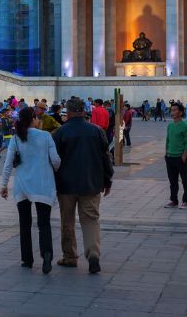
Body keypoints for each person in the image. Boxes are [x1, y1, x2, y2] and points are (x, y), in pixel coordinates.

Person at [52, 97, 113, 274]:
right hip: (92, 184)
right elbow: (105, 158)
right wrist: (107, 180)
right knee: (91, 220)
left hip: (66, 185)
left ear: (69, 112)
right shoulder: (97, 131)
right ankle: (93, 254)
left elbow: (54, 161)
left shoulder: (61, 132)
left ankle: (70, 257)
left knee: (67, 221)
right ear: (84, 111)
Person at [0, 106, 61, 274]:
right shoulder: (46, 136)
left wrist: (3, 185)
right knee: (44, 223)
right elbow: (55, 160)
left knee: (24, 224)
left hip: (22, 186)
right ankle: (47, 254)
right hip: (43, 184)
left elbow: (8, 164)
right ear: (34, 119)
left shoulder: (16, 138)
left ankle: (27, 259)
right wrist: (53, 167)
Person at [164, 103, 187, 209]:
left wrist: (184, 155)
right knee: (173, 181)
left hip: (180, 158)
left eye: (175, 110)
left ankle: (186, 201)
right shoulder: (170, 125)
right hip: (170, 157)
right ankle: (174, 200)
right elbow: (168, 140)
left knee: (185, 180)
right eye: (171, 110)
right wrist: (166, 152)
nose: (172, 112)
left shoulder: (185, 127)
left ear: (181, 112)